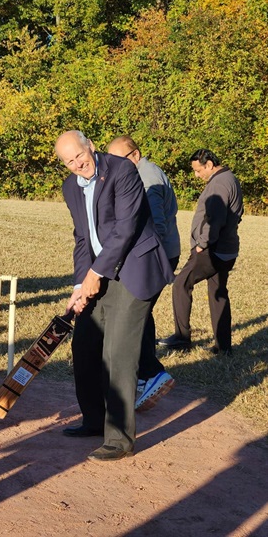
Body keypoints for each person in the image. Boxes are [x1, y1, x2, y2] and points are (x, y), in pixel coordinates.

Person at [55, 130, 174, 461]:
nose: (78, 165)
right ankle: (94, 421)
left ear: (89, 147)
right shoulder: (70, 188)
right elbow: (82, 238)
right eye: (69, 162)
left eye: (80, 156)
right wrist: (81, 283)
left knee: (117, 353)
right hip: (99, 273)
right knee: (85, 346)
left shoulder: (122, 171)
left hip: (135, 270)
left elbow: (125, 230)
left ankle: (119, 439)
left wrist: (96, 274)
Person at [107, 136, 179, 411]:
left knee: (136, 313)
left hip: (156, 254)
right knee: (141, 312)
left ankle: (152, 373)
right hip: (157, 252)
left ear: (135, 155)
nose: (115, 165)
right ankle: (144, 375)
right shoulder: (142, 172)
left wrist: (148, 259)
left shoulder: (146, 177)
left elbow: (157, 224)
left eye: (120, 159)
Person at [158, 149, 243, 355]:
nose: (197, 175)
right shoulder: (230, 178)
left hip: (212, 250)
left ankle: (181, 338)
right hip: (227, 249)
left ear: (210, 165)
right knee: (217, 293)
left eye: (198, 170)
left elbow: (216, 220)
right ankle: (223, 347)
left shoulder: (219, 184)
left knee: (180, 284)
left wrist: (202, 244)